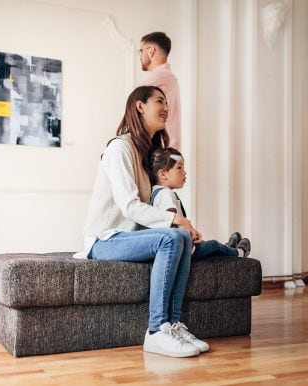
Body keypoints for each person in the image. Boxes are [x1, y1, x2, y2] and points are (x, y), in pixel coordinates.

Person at [74, 85, 208, 358]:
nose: (166, 108)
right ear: (139, 106)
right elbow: (130, 207)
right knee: (172, 235)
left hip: (128, 238)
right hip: (105, 240)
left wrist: (182, 224)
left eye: (167, 103)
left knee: (179, 236)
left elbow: (154, 204)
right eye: (159, 101)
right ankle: (156, 330)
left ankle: (173, 325)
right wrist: (175, 220)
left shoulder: (145, 153)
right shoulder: (119, 148)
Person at [149, 147, 251, 259]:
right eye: (179, 167)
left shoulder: (157, 192)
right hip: (183, 250)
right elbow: (172, 224)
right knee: (213, 245)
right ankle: (240, 253)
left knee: (207, 244)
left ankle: (228, 247)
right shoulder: (165, 195)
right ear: (163, 174)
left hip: (181, 246)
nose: (184, 172)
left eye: (184, 167)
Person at [139, 32, 181, 150]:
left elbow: (137, 116)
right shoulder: (169, 77)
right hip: (168, 150)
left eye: (141, 51)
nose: (140, 56)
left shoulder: (157, 78)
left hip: (159, 152)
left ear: (151, 51)